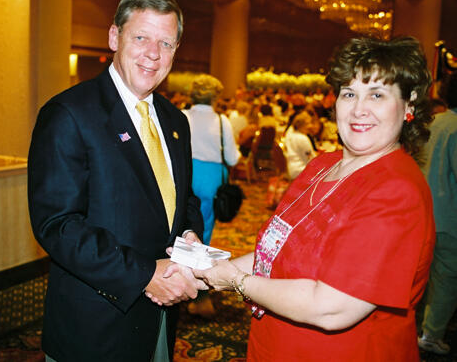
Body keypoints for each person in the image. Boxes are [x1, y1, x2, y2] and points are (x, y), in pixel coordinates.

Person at [190, 36, 436, 361]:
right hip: (273, 344)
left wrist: (235, 281)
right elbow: (273, 252)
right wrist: (208, 267)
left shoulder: (396, 190)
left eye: (377, 94)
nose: (359, 109)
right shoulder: (323, 165)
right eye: (349, 93)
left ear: (409, 106)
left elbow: (332, 308)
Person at [27, 0, 205, 361]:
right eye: (141, 37)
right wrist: (143, 275)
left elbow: (182, 200)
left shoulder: (176, 122)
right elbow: (58, 225)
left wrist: (189, 237)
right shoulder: (69, 114)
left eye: (165, 43)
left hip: (160, 319)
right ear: (114, 37)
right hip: (96, 326)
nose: (153, 53)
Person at [184, 74, 240, 317]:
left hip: (185, 174)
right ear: (215, 97)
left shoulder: (182, 116)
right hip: (210, 180)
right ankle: (200, 295)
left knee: (181, 227)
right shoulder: (221, 121)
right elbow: (232, 158)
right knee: (203, 232)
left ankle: (179, 279)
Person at [418, 72, 457, 355]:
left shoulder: (435, 122)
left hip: (421, 210)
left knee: (423, 273)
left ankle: (420, 326)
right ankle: (431, 334)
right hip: (449, 215)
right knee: (447, 276)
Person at [284, 110, 317, 179]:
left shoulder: (291, 134)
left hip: (291, 167)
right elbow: (310, 159)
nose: (311, 126)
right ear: (301, 125)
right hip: (300, 170)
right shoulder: (303, 138)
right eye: (308, 123)